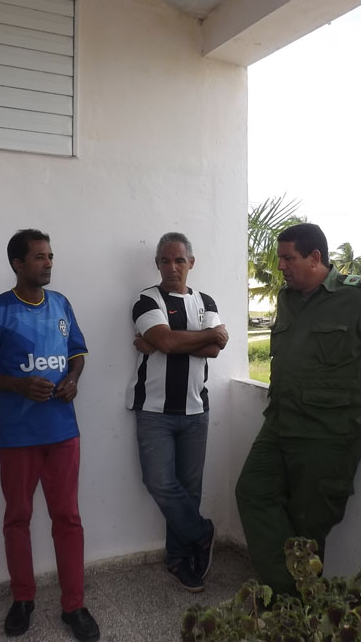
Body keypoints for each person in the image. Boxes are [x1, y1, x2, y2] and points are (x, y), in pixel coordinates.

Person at [235, 223, 361, 596]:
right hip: (280, 424)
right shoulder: (288, 298)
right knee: (252, 490)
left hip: (328, 436)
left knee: (308, 528)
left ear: (315, 257)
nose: (281, 266)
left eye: (288, 258)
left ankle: (294, 610)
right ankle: (288, 593)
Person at [0, 230, 99, 641]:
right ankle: (22, 599)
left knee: (68, 518)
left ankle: (73, 605)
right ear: (17, 264)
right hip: (18, 434)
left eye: (51, 256)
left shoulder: (61, 305)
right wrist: (18, 385)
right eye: (40, 257)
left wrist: (73, 379)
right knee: (17, 518)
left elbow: (77, 352)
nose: (48, 263)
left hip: (62, 431)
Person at [127, 232, 229, 592]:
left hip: (196, 409)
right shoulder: (146, 300)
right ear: (157, 264)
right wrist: (194, 338)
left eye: (179, 260)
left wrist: (163, 342)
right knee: (159, 483)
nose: (172, 267)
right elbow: (169, 340)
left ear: (191, 263)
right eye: (165, 261)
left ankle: (179, 559)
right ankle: (202, 533)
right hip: (154, 410)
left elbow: (213, 350)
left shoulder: (205, 300)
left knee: (189, 489)